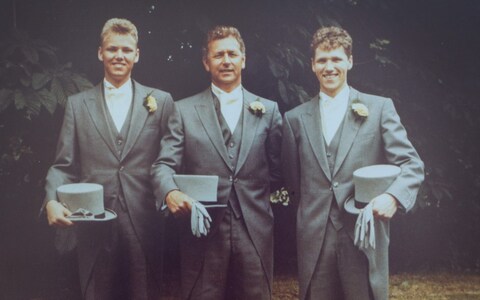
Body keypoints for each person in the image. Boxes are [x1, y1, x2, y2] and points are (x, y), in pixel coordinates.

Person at [281, 26, 424, 300]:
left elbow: (411, 163)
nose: (329, 67)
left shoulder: (379, 108)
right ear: (312, 65)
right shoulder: (294, 119)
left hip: (363, 234)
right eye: (322, 60)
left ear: (350, 60)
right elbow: (293, 182)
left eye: (336, 59)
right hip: (315, 237)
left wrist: (393, 197)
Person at [42, 18, 174, 299]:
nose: (119, 56)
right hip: (93, 223)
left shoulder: (161, 102)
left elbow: (170, 161)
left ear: (137, 54)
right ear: (100, 53)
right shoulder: (78, 105)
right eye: (112, 49)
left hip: (145, 223)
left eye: (126, 50)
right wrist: (52, 200)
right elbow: (63, 165)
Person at [151, 25, 282, 300]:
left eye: (232, 54)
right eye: (218, 54)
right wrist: (170, 192)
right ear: (205, 62)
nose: (226, 61)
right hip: (202, 231)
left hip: (254, 229)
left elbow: (278, 170)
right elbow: (163, 164)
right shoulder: (183, 110)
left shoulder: (268, 111)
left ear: (243, 59)